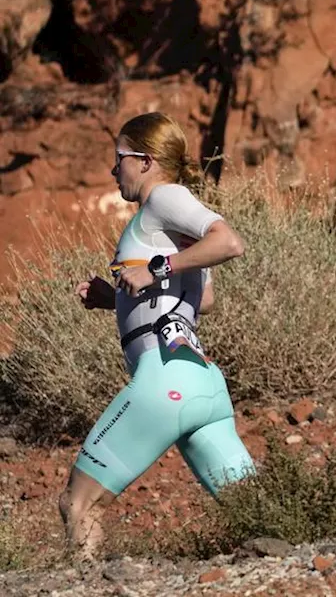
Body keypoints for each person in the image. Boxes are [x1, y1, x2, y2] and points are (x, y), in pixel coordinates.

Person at [60, 112, 255, 561]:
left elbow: (230, 242)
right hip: (201, 381)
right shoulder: (168, 222)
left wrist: (155, 268)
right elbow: (202, 300)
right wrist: (116, 299)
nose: (114, 170)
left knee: (78, 503)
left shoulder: (164, 199)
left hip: (164, 379)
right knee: (258, 513)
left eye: (119, 159)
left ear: (145, 161)